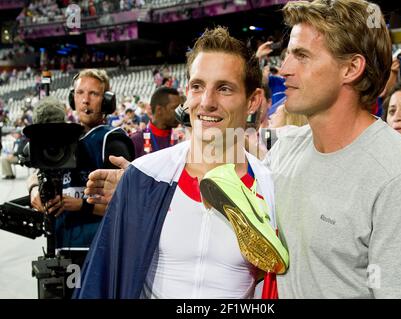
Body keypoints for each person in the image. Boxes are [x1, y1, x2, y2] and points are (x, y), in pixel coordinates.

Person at [74, 27, 281, 299]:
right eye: (198, 86)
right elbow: (100, 283)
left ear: (253, 101)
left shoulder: (272, 188)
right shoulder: (145, 176)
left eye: (224, 88)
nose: (207, 102)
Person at [262, 0, 401, 298]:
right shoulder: (282, 152)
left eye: (302, 56)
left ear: (351, 68)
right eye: (287, 55)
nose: (284, 69)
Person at [27, 69, 135, 274]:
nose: (85, 100)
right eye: (80, 93)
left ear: (107, 101)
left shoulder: (111, 139)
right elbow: (35, 167)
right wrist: (34, 190)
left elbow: (126, 202)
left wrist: (80, 205)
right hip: (60, 249)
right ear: (72, 97)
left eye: (94, 94)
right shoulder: (64, 136)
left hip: (97, 248)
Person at [130, 86, 181, 158]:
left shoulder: (180, 140)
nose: (179, 113)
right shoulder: (136, 141)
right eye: (174, 108)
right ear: (159, 110)